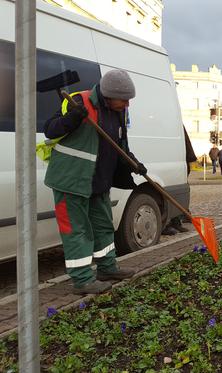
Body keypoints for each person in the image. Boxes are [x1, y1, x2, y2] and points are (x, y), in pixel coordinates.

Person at [43, 69, 144, 294]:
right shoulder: (79, 101)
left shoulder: (118, 113)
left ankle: (107, 268)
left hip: (98, 181)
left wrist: (134, 163)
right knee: (77, 231)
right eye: (124, 99)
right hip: (71, 180)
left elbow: (121, 145)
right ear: (109, 95)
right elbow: (49, 130)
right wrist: (71, 119)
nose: (127, 104)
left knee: (103, 227)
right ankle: (82, 280)